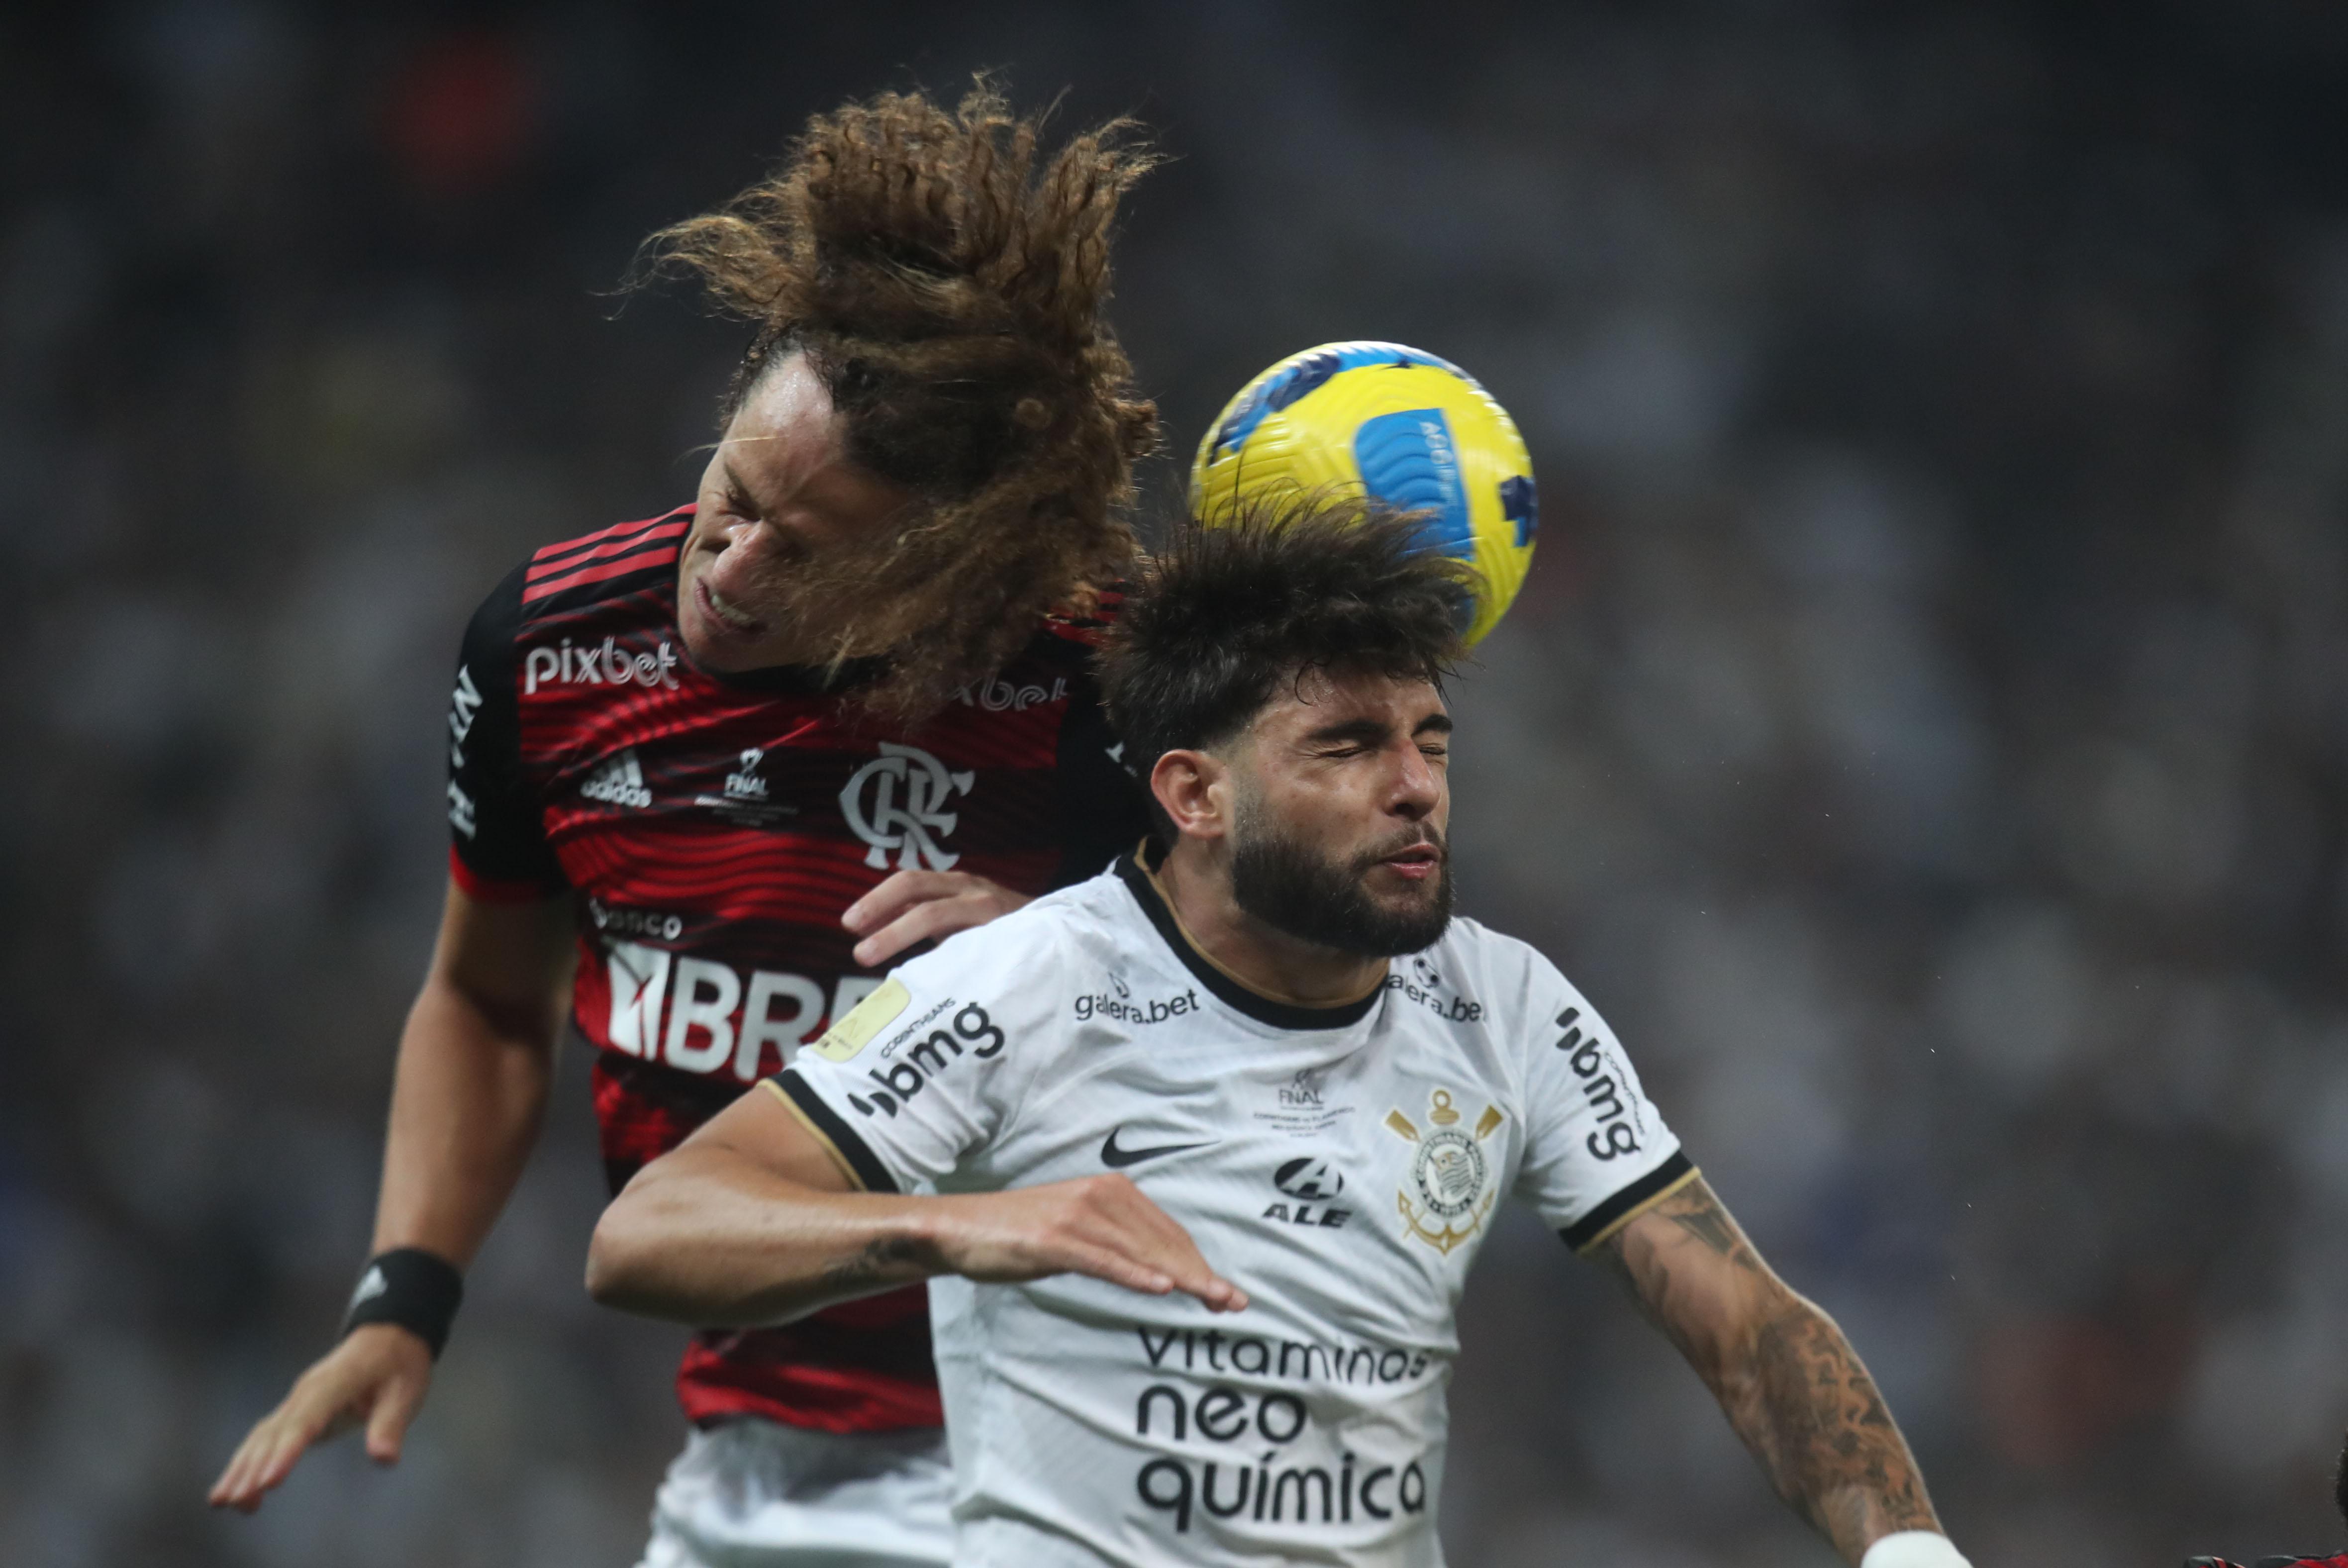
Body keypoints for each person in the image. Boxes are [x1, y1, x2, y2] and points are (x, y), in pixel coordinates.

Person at [584, 502, 1975, 1568]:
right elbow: (653, 1231)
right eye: (1349, 746)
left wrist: (1913, 1554)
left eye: (1432, 740)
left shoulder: (1505, 1007)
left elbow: (1742, 1319)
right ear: (1193, 792)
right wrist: (961, 1228)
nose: (1418, 787)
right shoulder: (1019, 983)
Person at [209, 85, 1159, 1568]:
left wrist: (1099, 952)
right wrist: (405, 1295)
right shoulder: (551, 646)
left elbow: (1324, 1017)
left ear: (932, 579)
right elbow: (485, 1000)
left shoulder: (1091, 692)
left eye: (810, 551)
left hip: (1086, 1434)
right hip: (756, 1463)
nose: (730, 564)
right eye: (733, 493)